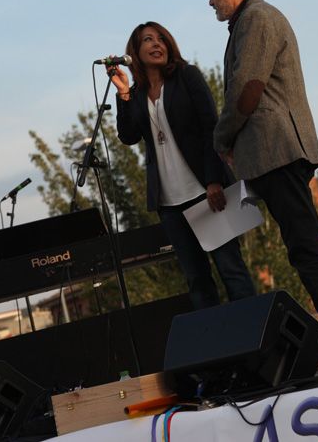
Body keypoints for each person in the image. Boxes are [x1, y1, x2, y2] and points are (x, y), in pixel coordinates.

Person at [206, 0, 318, 369]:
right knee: (301, 246)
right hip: (275, 154)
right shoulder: (252, 19)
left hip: (278, 152)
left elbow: (247, 88)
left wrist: (222, 138)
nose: (210, 3)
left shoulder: (256, 18)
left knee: (305, 246)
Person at [107, 21, 256, 309]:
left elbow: (211, 127)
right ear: (135, 52)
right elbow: (128, 136)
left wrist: (213, 180)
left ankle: (256, 333)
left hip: (206, 191)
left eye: (161, 39)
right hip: (169, 204)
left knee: (232, 271)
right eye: (148, 40)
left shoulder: (187, 76)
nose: (157, 44)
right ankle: (216, 337)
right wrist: (123, 93)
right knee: (197, 281)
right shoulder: (137, 94)